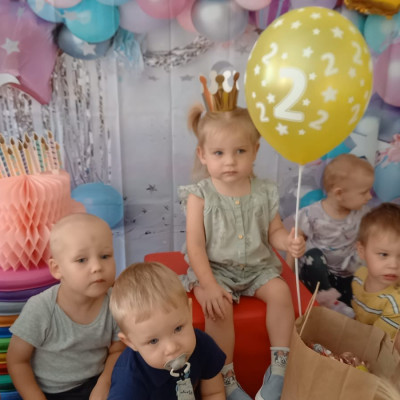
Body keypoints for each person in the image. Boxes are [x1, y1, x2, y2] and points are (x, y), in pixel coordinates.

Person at [178, 76, 306, 400]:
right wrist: (208, 284)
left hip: (257, 268)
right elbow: (195, 245)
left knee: (280, 293)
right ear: (203, 154)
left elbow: (273, 231)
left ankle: (280, 368)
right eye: (219, 152)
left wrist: (287, 242)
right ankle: (227, 378)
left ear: (255, 151)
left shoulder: (263, 191)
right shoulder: (199, 195)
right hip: (215, 269)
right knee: (218, 308)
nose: (230, 161)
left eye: (240, 151)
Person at [7, 213, 125, 400]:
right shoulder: (42, 308)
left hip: (99, 381)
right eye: (81, 260)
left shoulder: (115, 301)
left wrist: (104, 383)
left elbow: (117, 350)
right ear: (57, 269)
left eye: (105, 256)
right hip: (53, 393)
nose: (97, 267)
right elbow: (17, 361)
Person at [107, 262, 226, 399]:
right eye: (153, 341)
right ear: (130, 342)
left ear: (189, 311)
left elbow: (213, 393)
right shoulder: (128, 385)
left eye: (178, 329)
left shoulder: (202, 344)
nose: (172, 348)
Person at [288, 154, 374, 315]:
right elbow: (294, 245)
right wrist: (289, 278)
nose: (369, 197)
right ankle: (330, 301)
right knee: (313, 256)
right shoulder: (312, 214)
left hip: (346, 276)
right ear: (339, 193)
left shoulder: (363, 214)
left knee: (365, 256)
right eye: (364, 192)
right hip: (319, 276)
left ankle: (345, 305)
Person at [352, 203, 400, 351]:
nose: (394, 265)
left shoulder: (394, 303)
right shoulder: (359, 277)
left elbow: (376, 343)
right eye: (384, 254)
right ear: (362, 251)